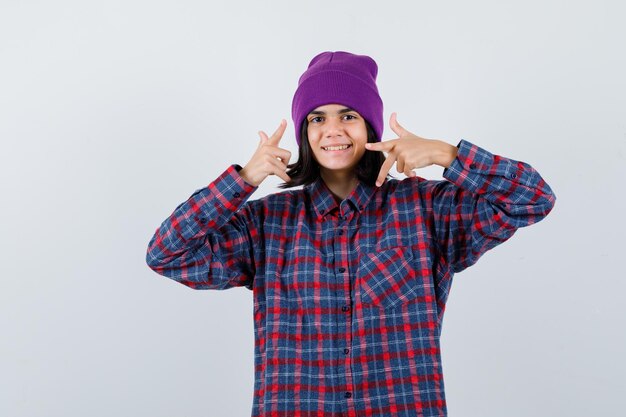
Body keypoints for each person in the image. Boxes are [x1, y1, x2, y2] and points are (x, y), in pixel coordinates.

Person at [146, 51, 556, 417]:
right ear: (305, 133)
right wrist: (244, 179)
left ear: (370, 126)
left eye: (348, 115)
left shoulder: (427, 210)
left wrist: (447, 155)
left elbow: (533, 198)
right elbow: (167, 254)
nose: (333, 129)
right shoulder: (267, 223)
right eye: (317, 118)